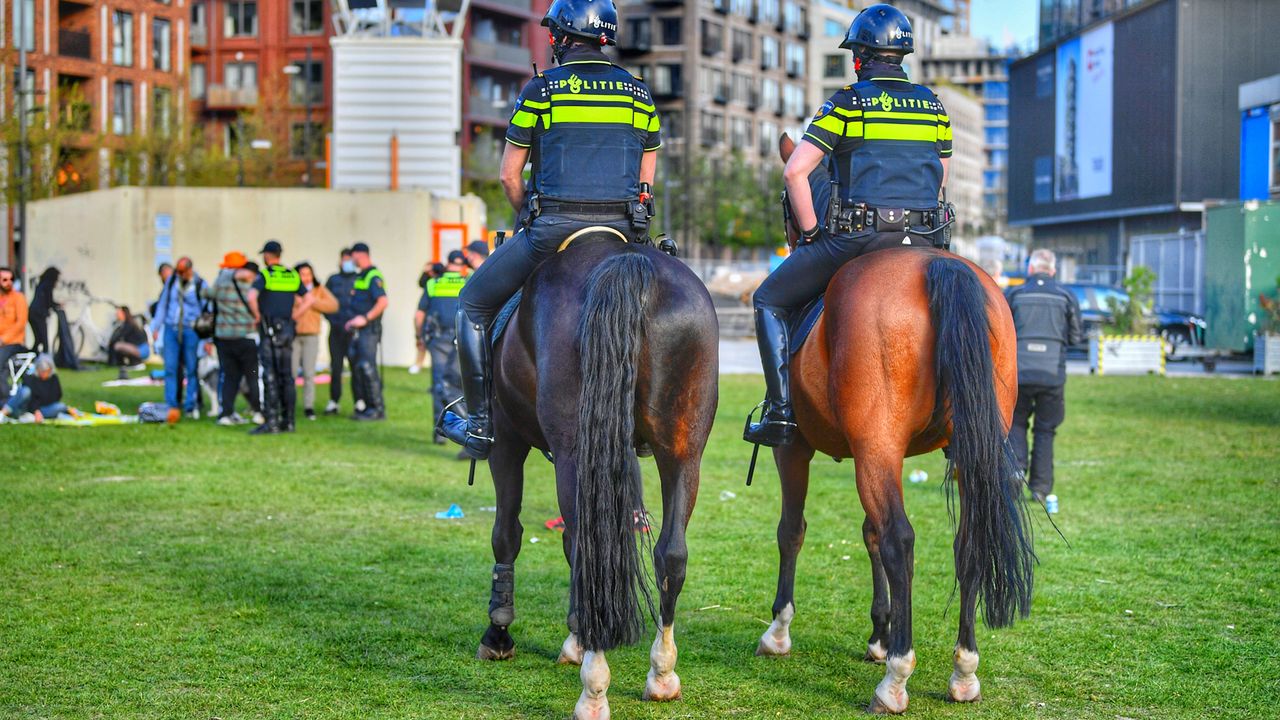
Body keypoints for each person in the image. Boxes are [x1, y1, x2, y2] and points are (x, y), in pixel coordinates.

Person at [440, 0, 662, 458]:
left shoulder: (541, 90)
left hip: (552, 230)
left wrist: (529, 216)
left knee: (472, 306)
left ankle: (481, 423)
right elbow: (647, 178)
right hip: (624, 231)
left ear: (562, 38)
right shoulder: (639, 94)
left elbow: (508, 175)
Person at [743, 3, 953, 447]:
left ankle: (781, 413)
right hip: (925, 238)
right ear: (903, 55)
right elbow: (940, 174)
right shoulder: (932, 106)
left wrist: (814, 233)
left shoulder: (848, 102)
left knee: (768, 300)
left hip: (859, 238)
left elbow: (795, 172)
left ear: (859, 57)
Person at [1004, 249, 1083, 502]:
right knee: (1045, 430)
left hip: (1019, 373)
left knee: (1015, 423)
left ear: (1030, 269)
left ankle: (1016, 472)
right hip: (1052, 375)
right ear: (1053, 270)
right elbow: (1076, 337)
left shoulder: (1014, 295)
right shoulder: (1066, 296)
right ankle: (1040, 488)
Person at [249, 241, 310, 434]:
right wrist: (295, 316)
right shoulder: (292, 274)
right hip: (287, 330)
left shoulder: (265, 274)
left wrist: (257, 315)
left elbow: (251, 296)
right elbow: (309, 299)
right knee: (287, 377)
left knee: (270, 375)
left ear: (267, 256)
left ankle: (272, 421)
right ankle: (289, 421)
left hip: (268, 329)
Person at [202, 252, 263, 426]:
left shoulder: (222, 284)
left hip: (225, 338)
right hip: (247, 337)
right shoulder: (253, 285)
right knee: (252, 376)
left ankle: (226, 413)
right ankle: (258, 411)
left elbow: (205, 293)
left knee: (229, 376)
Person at [417, 252, 467, 442]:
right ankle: (465, 430)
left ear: (447, 264)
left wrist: (419, 337)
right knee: (464, 384)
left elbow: (419, 316)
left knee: (440, 383)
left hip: (438, 340)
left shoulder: (433, 283)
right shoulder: (468, 281)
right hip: (462, 339)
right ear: (463, 265)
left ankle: (442, 432)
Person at [151, 256, 207, 419]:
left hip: (191, 330)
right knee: (170, 368)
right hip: (171, 329)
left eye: (181, 271)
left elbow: (206, 310)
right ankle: (171, 405)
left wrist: (206, 339)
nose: (178, 274)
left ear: (189, 270)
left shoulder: (199, 284)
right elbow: (162, 305)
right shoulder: (171, 282)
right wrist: (155, 327)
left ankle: (191, 404)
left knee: (191, 369)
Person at [344, 242, 388, 421]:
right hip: (359, 331)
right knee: (360, 368)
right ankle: (367, 407)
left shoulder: (373, 275)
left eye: (352, 256)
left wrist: (366, 318)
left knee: (368, 368)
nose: (350, 260)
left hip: (369, 330)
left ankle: (377, 409)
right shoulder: (360, 276)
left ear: (359, 255)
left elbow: (383, 302)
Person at [292, 262, 339, 420]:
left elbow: (333, 305)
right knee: (290, 372)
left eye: (308, 274)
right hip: (293, 335)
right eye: (302, 274)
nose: (305, 277)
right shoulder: (292, 289)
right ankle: (288, 404)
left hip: (311, 335)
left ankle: (308, 407)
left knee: (309, 373)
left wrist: (312, 302)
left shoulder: (318, 290)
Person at [324, 248, 359, 416]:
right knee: (336, 366)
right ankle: (334, 401)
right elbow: (324, 300)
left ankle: (359, 401)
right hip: (336, 330)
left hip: (353, 332)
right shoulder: (333, 280)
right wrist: (331, 319)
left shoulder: (359, 279)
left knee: (355, 367)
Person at [1, 354, 70, 423]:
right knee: (25, 391)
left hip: (43, 409)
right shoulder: (31, 378)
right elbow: (31, 398)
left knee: (61, 406)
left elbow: (56, 396)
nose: (44, 374)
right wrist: (36, 410)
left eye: (46, 372)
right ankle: (3, 413)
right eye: (42, 372)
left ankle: (30, 417)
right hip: (26, 407)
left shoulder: (54, 379)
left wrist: (39, 410)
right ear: (37, 369)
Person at [410, 261, 446, 375]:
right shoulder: (430, 283)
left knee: (424, 339)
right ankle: (418, 364)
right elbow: (420, 283)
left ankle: (418, 365)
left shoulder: (435, 283)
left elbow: (419, 314)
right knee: (423, 342)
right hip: (431, 316)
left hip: (433, 317)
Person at [0, 266, 29, 399]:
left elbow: (20, 323)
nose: (9, 282)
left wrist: (3, 339)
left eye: (11, 279)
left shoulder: (19, 298)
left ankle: (6, 402)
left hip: (13, 343)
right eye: (5, 279)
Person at [105, 306, 150, 379]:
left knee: (118, 346)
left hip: (141, 350)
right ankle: (130, 364)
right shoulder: (127, 323)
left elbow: (118, 337)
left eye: (118, 312)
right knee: (118, 345)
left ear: (124, 313)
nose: (116, 314)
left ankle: (137, 364)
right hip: (138, 348)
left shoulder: (129, 324)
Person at [27, 267, 59, 354]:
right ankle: (46, 360)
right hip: (38, 314)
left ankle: (33, 357)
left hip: (32, 313)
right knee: (43, 340)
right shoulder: (48, 284)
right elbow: (49, 301)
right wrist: (57, 305)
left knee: (38, 339)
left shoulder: (42, 283)